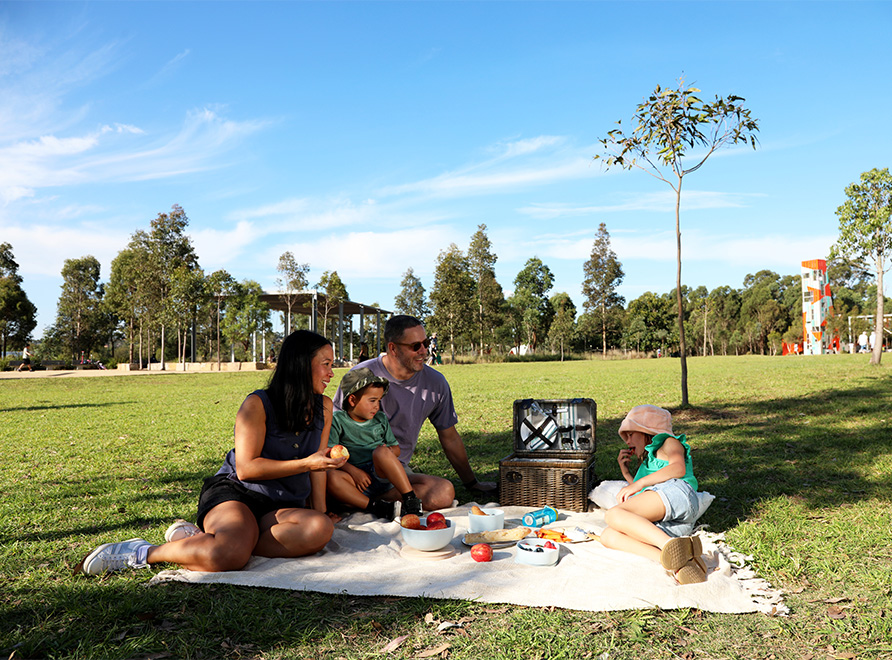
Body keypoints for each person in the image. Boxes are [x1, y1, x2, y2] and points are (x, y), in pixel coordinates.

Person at [76, 330, 347, 576]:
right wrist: (305, 464)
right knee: (229, 555)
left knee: (319, 529)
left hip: (281, 506)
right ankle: (143, 552)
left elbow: (319, 465)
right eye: (326, 364)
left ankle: (206, 541)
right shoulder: (258, 404)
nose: (331, 373)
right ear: (301, 364)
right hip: (239, 493)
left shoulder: (324, 406)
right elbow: (247, 469)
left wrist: (321, 512)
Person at [333, 315, 497, 511]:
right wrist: (348, 470)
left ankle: (366, 504)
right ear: (393, 348)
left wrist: (472, 483)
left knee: (443, 492)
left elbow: (450, 437)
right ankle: (361, 499)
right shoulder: (360, 376)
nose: (424, 351)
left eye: (426, 343)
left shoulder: (435, 383)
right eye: (416, 346)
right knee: (329, 479)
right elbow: (330, 431)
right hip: (352, 470)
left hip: (396, 473)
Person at [598, 404, 708, 585]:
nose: (627, 440)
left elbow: (678, 468)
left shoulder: (668, 443)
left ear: (647, 431)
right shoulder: (647, 463)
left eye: (630, 434)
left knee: (613, 514)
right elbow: (646, 499)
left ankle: (668, 546)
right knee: (608, 535)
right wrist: (626, 474)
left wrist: (639, 483)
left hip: (678, 493)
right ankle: (677, 563)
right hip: (672, 520)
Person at [326, 367, 423, 518]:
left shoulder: (380, 419)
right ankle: (376, 507)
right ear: (352, 400)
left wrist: (386, 456)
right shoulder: (338, 421)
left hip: (380, 474)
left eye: (378, 401)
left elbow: (395, 448)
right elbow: (331, 454)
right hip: (356, 480)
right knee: (331, 477)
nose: (377, 406)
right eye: (372, 401)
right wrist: (353, 471)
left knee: (381, 451)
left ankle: (410, 499)